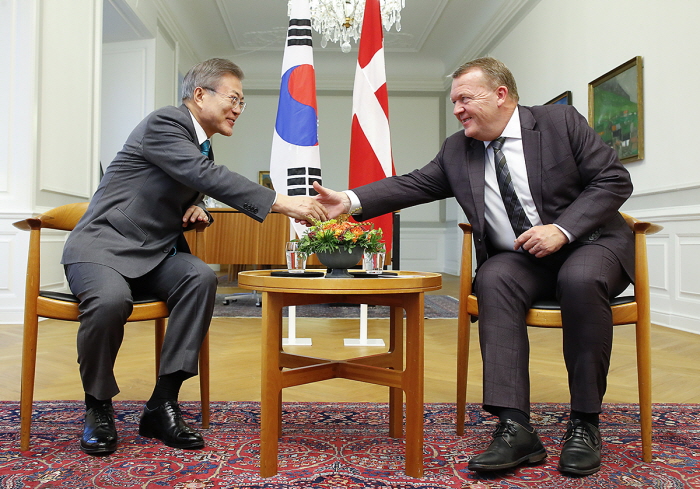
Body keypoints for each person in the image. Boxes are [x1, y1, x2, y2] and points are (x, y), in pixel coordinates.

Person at [313, 57, 634, 476]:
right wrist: (350, 201)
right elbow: (412, 183)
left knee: (580, 278)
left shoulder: (560, 123)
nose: (458, 109)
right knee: (494, 277)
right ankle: (515, 427)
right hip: (523, 261)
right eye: (454, 102)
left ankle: (585, 423)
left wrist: (562, 228)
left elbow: (614, 180)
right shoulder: (457, 150)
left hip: (588, 244)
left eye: (465, 98)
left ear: (501, 95)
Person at [62, 58, 327, 455]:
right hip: (102, 247)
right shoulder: (164, 123)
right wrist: (283, 203)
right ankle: (97, 406)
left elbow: (184, 181)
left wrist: (196, 207)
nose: (238, 108)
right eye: (234, 98)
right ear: (200, 95)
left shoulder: (196, 142)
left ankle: (162, 403)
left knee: (200, 277)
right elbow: (203, 174)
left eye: (242, 102)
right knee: (110, 301)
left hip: (152, 253)